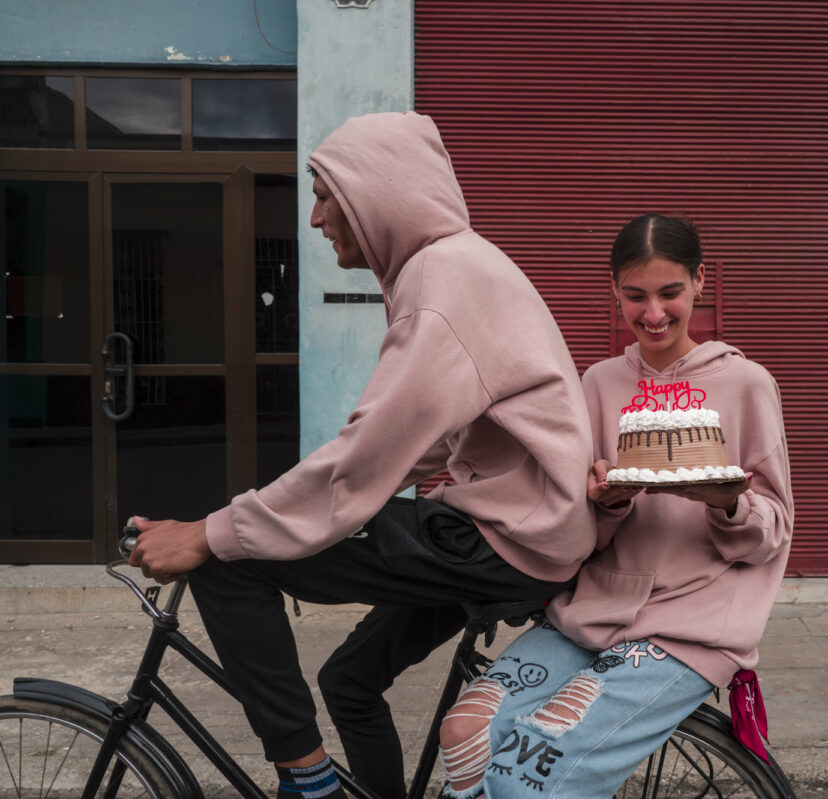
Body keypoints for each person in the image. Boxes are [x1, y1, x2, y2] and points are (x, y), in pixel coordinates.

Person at [126, 112, 598, 799]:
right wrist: (339, 497)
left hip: (503, 539)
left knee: (230, 560)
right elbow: (417, 442)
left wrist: (208, 531)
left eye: (325, 193)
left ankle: (308, 780)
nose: (315, 217)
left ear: (377, 194)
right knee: (347, 682)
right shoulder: (446, 269)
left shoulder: (443, 284)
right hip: (521, 533)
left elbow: (364, 457)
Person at [436, 213, 794, 798]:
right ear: (614, 291)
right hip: (590, 612)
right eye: (635, 296)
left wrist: (729, 506)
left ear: (700, 281)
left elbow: (775, 529)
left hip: (688, 625)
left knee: (526, 779)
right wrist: (603, 505)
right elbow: (571, 521)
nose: (653, 313)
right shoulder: (597, 383)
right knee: (465, 728)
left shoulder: (747, 383)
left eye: (670, 292)